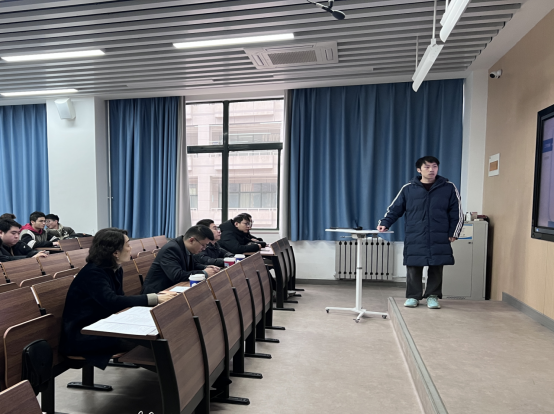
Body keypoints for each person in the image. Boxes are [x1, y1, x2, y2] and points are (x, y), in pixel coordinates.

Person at [60, 228, 176, 369]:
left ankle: (175, 373)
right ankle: (173, 376)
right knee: (156, 341)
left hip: (106, 325)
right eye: (128, 244)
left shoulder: (114, 268)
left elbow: (119, 299)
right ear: (115, 252)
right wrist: (154, 299)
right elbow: (112, 301)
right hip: (85, 335)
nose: (130, 248)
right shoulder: (93, 272)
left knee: (161, 333)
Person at [377, 156, 463, 309]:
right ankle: (413, 296)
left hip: (439, 234)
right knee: (413, 266)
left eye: (434, 166)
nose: (431, 170)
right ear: (419, 170)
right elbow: (395, 209)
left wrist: (454, 232)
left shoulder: (448, 187)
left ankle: (432, 296)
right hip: (415, 234)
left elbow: (456, 212)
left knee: (436, 266)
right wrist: (385, 222)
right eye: (427, 167)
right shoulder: (408, 188)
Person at [141, 225, 220, 294]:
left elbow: (193, 264)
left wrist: (206, 267)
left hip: (173, 288)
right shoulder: (171, 249)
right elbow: (177, 275)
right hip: (157, 292)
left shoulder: (185, 246)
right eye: (203, 245)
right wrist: (204, 273)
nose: (204, 248)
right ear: (191, 240)